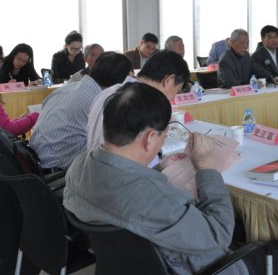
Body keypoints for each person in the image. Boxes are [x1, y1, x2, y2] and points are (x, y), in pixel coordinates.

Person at [65, 83, 252, 275]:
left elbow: (124, 193)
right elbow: (219, 234)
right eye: (164, 135)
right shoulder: (154, 201)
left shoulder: (78, 168)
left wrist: (159, 168)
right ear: (150, 137)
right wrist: (206, 168)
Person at [29, 52, 132, 170]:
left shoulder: (65, 88)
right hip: (60, 166)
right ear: (121, 81)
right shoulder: (100, 100)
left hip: (34, 160)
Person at [87, 50, 191, 151]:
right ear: (168, 80)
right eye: (177, 91)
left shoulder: (109, 92)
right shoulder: (141, 103)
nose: (173, 99)